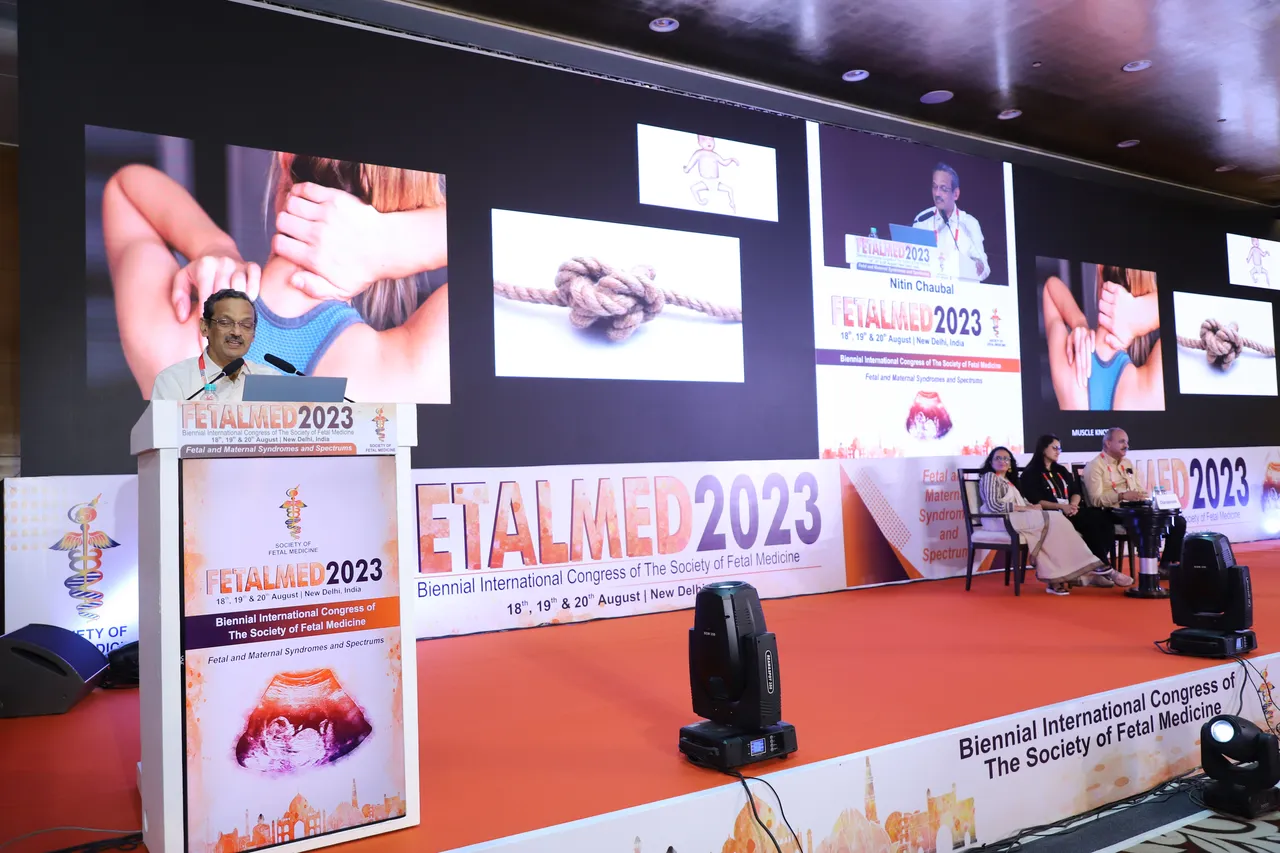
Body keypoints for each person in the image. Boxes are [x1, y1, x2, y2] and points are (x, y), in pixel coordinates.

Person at [103, 152, 449, 404]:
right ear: (411, 202)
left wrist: (212, 244)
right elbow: (482, 239)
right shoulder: (399, 374)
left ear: (285, 160)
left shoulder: (177, 344)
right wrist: (394, 241)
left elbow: (126, 188)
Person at [978, 446, 1129, 595]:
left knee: (1051, 532)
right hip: (1000, 520)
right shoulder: (990, 477)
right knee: (1055, 517)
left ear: (1010, 463)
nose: (1002, 461)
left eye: (1006, 458)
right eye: (998, 458)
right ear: (990, 461)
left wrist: (1032, 506)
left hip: (1017, 517)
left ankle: (1057, 579)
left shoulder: (1008, 481)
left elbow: (1021, 502)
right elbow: (994, 505)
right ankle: (1095, 566)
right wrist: (1025, 508)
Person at [1042, 265, 1164, 410]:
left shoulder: (1067, 362)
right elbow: (1183, 308)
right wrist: (1142, 311)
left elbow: (1050, 288)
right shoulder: (1151, 387)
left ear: (1099, 269)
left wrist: (1078, 322)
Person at [1019, 434, 1119, 585]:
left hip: (1071, 510)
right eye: (1054, 448)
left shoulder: (1061, 470)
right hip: (1052, 514)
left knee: (1102, 519)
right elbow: (1036, 501)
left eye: (1059, 448)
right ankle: (1101, 566)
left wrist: (1073, 505)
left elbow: (1076, 491)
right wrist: (1061, 507)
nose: (1058, 451)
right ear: (1043, 449)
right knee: (1090, 524)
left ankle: (1095, 567)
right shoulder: (1030, 473)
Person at [1083, 427, 1185, 571]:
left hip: (1136, 509)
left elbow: (1138, 489)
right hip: (1113, 512)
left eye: (1127, 442)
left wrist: (1143, 496)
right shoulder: (1095, 466)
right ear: (1108, 443)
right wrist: (1121, 496)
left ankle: (1166, 565)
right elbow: (1095, 500)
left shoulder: (1127, 464)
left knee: (1177, 521)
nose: (1126, 445)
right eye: (1121, 441)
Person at [150, 291, 275, 402]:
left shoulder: (270, 380)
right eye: (225, 323)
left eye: (246, 325)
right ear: (204, 327)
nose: (236, 332)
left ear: (253, 334)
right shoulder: (173, 380)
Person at [912, 162, 989, 282]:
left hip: (961, 290)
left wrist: (978, 265)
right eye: (934, 187)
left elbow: (984, 269)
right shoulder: (922, 220)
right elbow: (911, 263)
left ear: (956, 194)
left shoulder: (969, 224)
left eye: (943, 189)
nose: (937, 193)